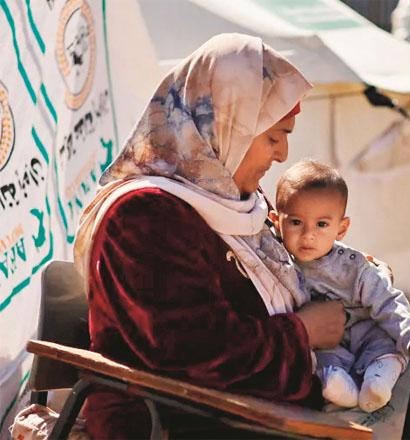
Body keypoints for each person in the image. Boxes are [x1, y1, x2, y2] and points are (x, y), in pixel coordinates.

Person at [72, 34, 346, 438]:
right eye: (273, 136)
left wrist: (349, 273)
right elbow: (188, 351)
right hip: (183, 422)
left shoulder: (238, 205)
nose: (284, 155)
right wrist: (302, 333)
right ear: (224, 125)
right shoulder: (146, 216)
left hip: (253, 415)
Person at [269, 160, 410, 413]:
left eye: (322, 225)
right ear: (276, 221)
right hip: (328, 343)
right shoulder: (276, 261)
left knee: (384, 345)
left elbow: (388, 301)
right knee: (323, 363)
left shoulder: (354, 267)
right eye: (296, 222)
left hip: (365, 329)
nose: (309, 235)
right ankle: (344, 390)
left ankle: (379, 380)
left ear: (341, 229)